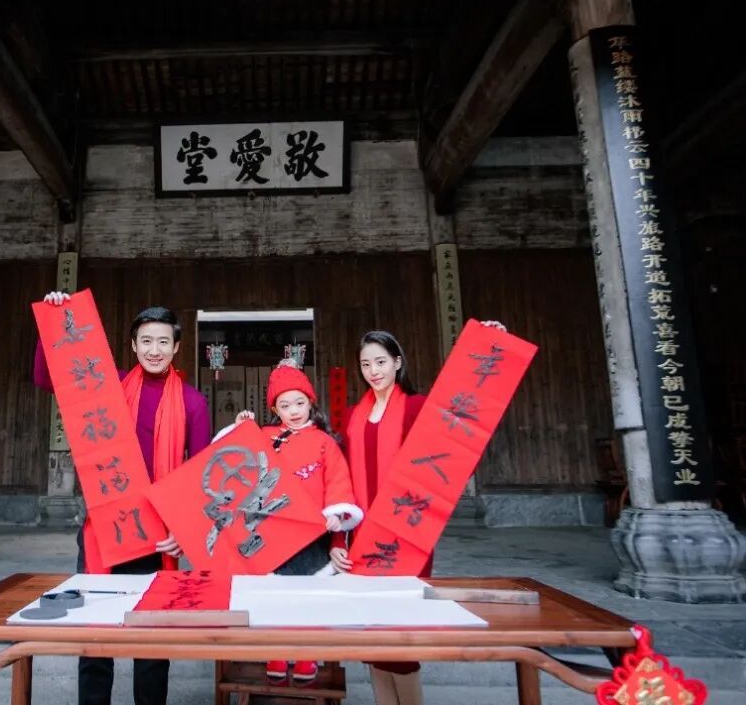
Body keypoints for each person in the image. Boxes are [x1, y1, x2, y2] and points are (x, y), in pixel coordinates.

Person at [33, 292, 212, 705]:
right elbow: (47, 377)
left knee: (151, 643)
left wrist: (185, 531)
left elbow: (200, 477)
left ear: (177, 347)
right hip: (104, 530)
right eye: (146, 341)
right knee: (95, 635)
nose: (154, 350)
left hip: (159, 535)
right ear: (133, 346)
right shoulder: (108, 384)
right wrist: (55, 320)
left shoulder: (193, 402)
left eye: (163, 341)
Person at [330, 324, 504, 705]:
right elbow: (341, 485)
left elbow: (460, 435)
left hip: (407, 535)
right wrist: (338, 540)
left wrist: (492, 344)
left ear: (397, 362)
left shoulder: (416, 407)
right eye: (365, 364)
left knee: (402, 640)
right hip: (363, 539)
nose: (373, 371)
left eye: (380, 362)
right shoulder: (354, 417)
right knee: (374, 639)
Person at [213, 359, 362, 685]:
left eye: (299, 403)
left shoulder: (325, 442)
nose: (293, 411)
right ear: (274, 409)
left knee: (308, 596)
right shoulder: (265, 436)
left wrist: (337, 518)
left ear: (311, 402)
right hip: (270, 532)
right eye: (284, 405)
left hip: (311, 535)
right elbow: (232, 457)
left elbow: (337, 483)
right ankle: (276, 650)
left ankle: (306, 654)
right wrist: (240, 428)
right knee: (273, 595)